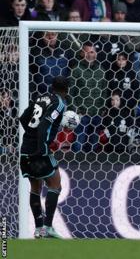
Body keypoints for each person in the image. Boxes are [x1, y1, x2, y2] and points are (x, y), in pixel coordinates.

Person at [19, 76, 71, 238]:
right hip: (38, 151)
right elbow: (44, 126)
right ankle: (48, 227)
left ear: (52, 87)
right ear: (67, 90)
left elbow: (23, 118)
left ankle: (39, 229)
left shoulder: (41, 98)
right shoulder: (60, 104)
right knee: (55, 185)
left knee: (35, 188)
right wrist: (42, 147)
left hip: (25, 149)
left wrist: (30, 135)